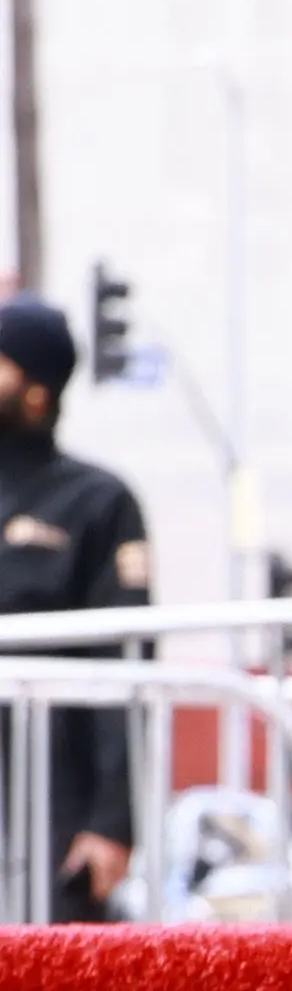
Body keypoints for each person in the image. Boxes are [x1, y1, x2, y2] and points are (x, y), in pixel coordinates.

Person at [0, 294, 155, 918]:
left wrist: (113, 820)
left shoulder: (98, 501)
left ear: (36, 388)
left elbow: (126, 664)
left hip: (50, 793)